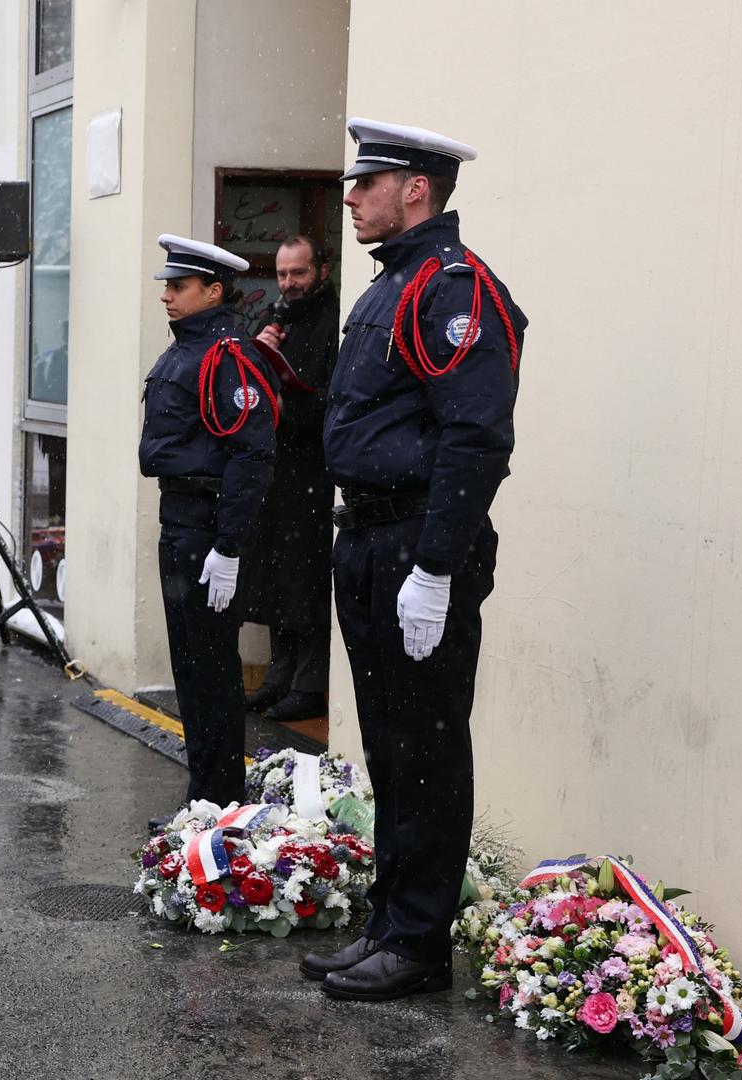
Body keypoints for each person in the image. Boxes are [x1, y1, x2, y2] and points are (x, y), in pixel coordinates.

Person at [299, 118, 528, 1004]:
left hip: (417, 540)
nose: (351, 197)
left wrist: (435, 568)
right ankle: (393, 921)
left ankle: (420, 939)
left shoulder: (452, 290)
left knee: (427, 746)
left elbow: (475, 439)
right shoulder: (392, 286)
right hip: (368, 537)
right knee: (393, 748)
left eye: (367, 183)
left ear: (416, 191)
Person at [138, 235, 279, 826]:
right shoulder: (187, 349)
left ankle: (220, 805)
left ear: (213, 291)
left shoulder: (229, 356)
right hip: (180, 520)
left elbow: (252, 456)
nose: (167, 296)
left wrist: (228, 547)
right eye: (167, 286)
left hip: (206, 525)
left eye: (179, 286)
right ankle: (202, 797)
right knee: (191, 668)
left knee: (214, 671)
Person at [238, 236, 340, 723]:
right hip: (276, 473)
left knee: (307, 581)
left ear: (322, 269)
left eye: (298, 273)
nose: (289, 283)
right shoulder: (275, 318)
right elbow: (245, 386)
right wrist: (258, 354)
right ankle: (278, 676)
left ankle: (309, 684)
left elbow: (335, 400)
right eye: (281, 274)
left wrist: (288, 405)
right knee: (275, 578)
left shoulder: (333, 320)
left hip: (314, 472)